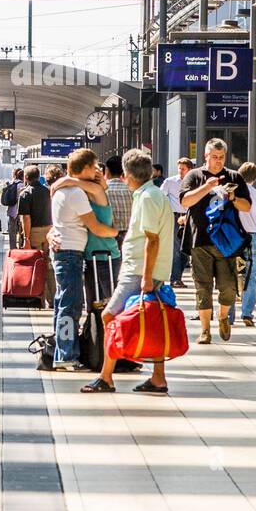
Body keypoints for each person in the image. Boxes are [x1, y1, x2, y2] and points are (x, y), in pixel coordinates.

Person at [79, 149, 175, 396]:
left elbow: (152, 240)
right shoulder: (150, 194)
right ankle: (158, 378)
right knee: (150, 320)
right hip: (143, 271)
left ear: (129, 175)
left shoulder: (148, 198)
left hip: (138, 272)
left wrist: (145, 276)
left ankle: (106, 377)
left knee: (108, 316)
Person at [46, 148, 119, 370]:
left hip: (65, 252)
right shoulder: (76, 193)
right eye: (95, 166)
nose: (98, 170)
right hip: (70, 253)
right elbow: (95, 226)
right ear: (85, 168)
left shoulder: (65, 190)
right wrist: (117, 233)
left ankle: (61, 351)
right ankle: (66, 355)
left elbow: (100, 188)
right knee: (70, 305)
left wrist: (66, 180)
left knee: (63, 304)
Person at [180, 138, 251, 344]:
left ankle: (222, 317)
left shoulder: (234, 176)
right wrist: (206, 186)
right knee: (203, 286)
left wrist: (233, 198)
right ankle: (205, 330)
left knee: (228, 287)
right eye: (214, 157)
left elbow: (246, 206)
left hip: (226, 242)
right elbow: (185, 200)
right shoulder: (195, 176)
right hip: (199, 239)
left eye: (221, 158)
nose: (218, 161)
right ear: (206, 156)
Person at [18, 165, 55, 305]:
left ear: (26, 177)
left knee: (36, 265)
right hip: (50, 231)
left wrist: (26, 238)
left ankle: (38, 298)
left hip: (34, 232)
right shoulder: (49, 192)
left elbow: (26, 218)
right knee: (49, 265)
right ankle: (52, 299)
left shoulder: (25, 194)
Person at [237, 162, 256, 327]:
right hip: (252, 238)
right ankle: (247, 313)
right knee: (251, 276)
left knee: (230, 274)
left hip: (232, 238)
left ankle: (227, 315)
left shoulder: (228, 191)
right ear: (255, 178)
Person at [160, 157, 194, 286]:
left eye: (183, 169)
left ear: (189, 170)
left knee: (186, 249)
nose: (180, 171)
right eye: (179, 168)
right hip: (174, 216)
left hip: (189, 216)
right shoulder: (170, 182)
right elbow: (161, 196)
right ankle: (175, 278)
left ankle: (177, 277)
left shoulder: (194, 182)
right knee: (176, 248)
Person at [104, 155, 132, 248]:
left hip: (108, 238)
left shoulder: (102, 191)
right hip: (130, 237)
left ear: (107, 171)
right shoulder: (132, 190)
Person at [0, 167, 24, 250]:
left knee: (12, 231)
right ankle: (21, 246)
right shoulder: (22, 185)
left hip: (12, 210)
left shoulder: (12, 184)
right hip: (21, 211)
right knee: (21, 230)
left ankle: (12, 248)